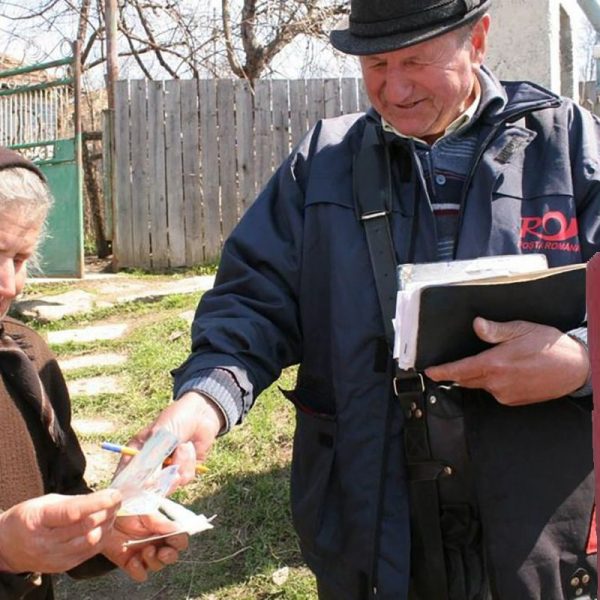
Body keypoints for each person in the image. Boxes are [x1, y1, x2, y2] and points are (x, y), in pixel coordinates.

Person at [132, 0, 599, 598]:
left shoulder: (566, 144)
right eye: (375, 63)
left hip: (535, 513)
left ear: (477, 39)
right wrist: (205, 400)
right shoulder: (323, 163)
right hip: (370, 507)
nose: (394, 88)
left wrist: (581, 360)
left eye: (416, 61)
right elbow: (252, 300)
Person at [0, 147, 188, 599]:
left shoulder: (26, 357)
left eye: (20, 259)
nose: (8, 284)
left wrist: (105, 529)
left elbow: (62, 495)